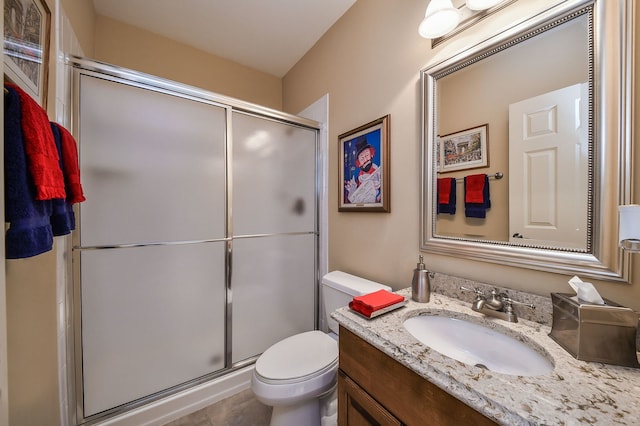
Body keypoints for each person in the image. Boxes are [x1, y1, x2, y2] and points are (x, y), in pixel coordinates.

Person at [345, 136, 381, 204]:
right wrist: (351, 191)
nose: (365, 160)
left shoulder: (379, 174)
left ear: (371, 155)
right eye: (362, 158)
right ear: (358, 163)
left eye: (367, 155)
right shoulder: (357, 180)